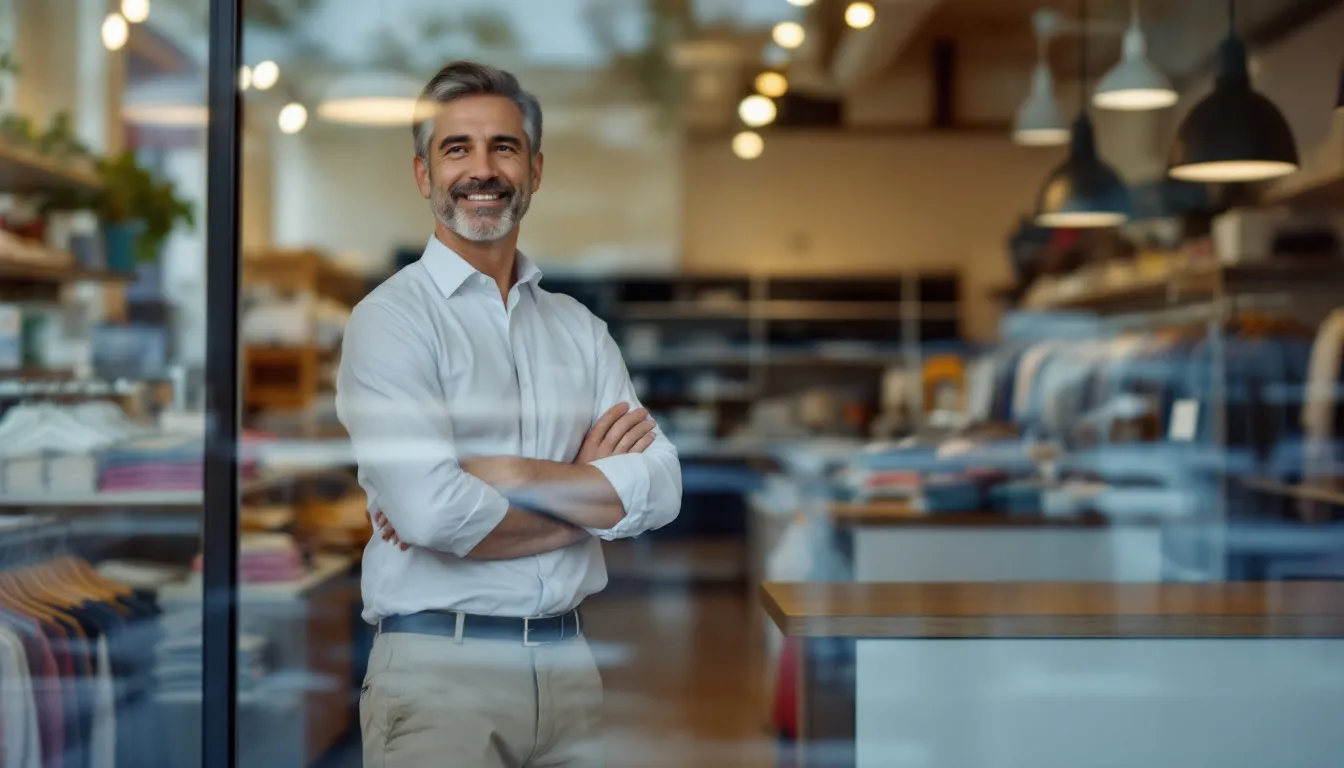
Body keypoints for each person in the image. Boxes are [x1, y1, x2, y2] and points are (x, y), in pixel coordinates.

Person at [335, 60, 683, 767]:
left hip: (569, 671)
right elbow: (434, 515)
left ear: (535, 169)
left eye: (504, 146)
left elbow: (662, 486)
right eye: (456, 148)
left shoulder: (578, 329)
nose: (482, 169)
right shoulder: (391, 323)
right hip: (440, 679)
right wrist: (588, 491)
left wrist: (508, 474)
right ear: (423, 174)